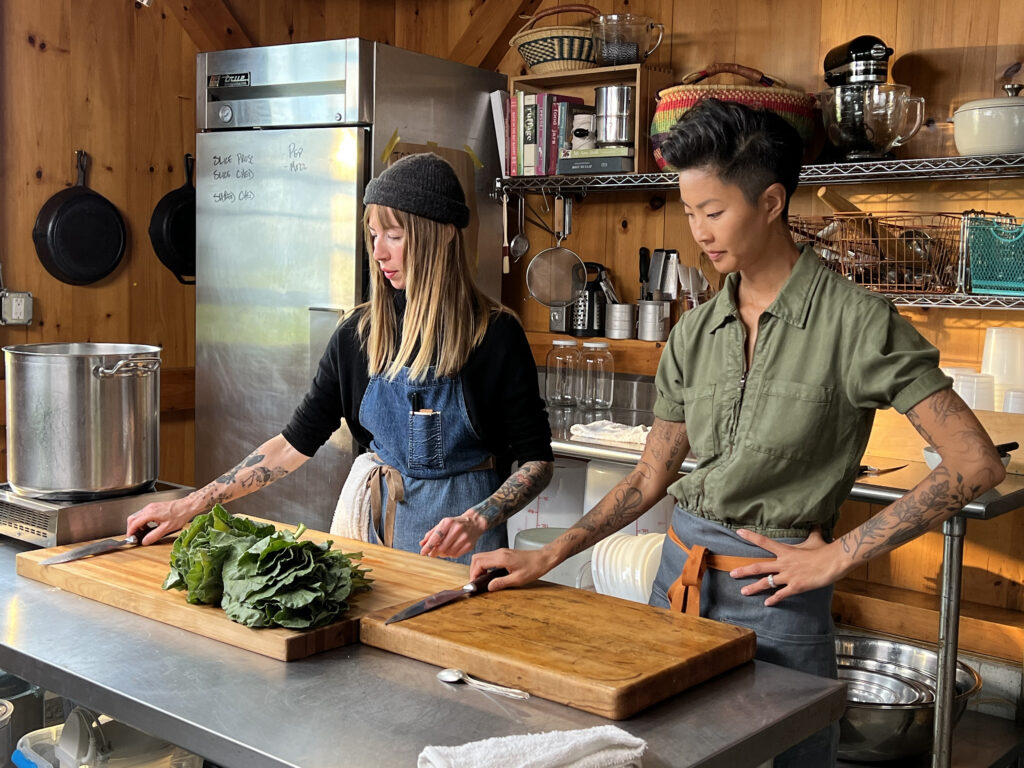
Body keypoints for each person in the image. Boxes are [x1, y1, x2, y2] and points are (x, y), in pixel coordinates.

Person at [470, 100, 1006, 766]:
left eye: (714, 212)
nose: (699, 232)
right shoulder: (694, 332)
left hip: (778, 603)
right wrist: (546, 557)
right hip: (677, 589)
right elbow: (649, 478)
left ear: (773, 201)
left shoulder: (857, 323)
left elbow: (975, 463)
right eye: (690, 212)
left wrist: (839, 556)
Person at [129, 152, 554, 564]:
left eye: (394, 235)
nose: (379, 253)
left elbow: (538, 461)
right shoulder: (358, 335)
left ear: (442, 233)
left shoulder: (494, 335)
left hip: (464, 554)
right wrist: (191, 504)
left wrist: (479, 518)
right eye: (373, 235)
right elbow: (292, 444)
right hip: (372, 544)